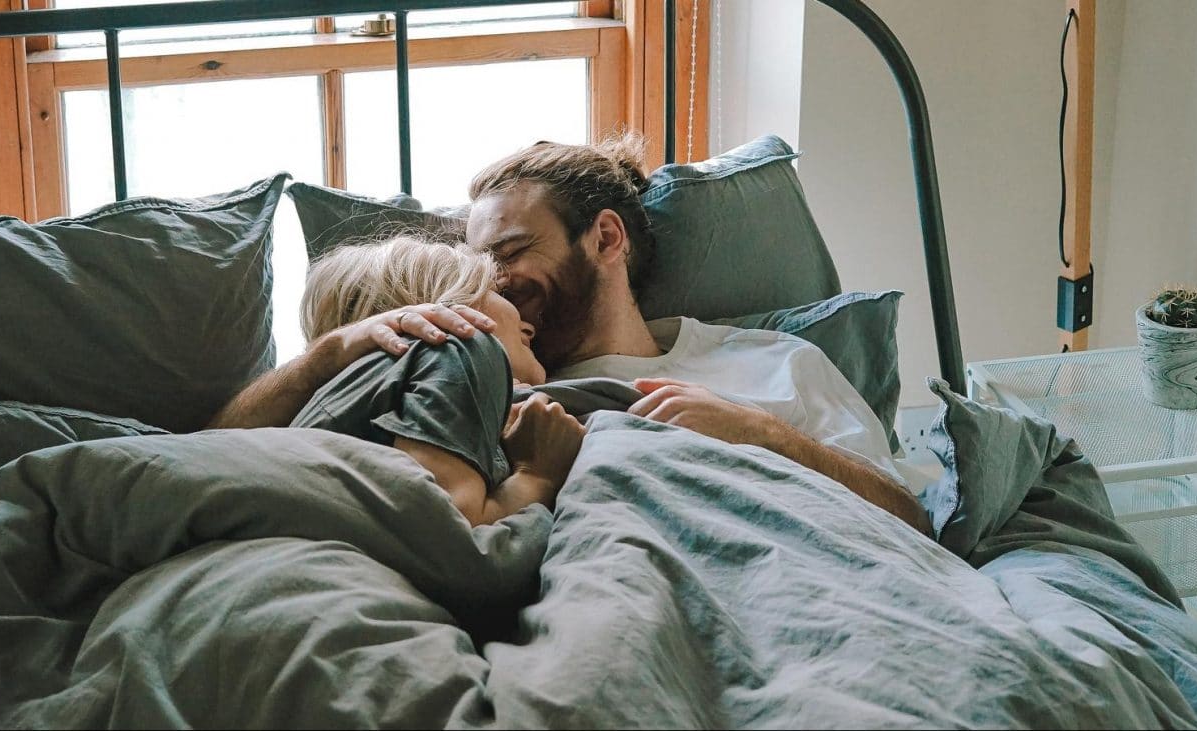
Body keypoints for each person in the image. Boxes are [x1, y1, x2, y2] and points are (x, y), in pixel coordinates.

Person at [210, 137, 930, 535]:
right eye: (476, 264)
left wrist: (764, 436)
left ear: (605, 238)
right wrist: (332, 353)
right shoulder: (469, 369)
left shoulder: (773, 366)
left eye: (511, 252)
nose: (490, 280)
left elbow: (913, 521)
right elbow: (223, 451)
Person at [253, 235, 586, 527]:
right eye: (498, 292)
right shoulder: (455, 351)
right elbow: (457, 537)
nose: (529, 325)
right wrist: (536, 477)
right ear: (446, 303)